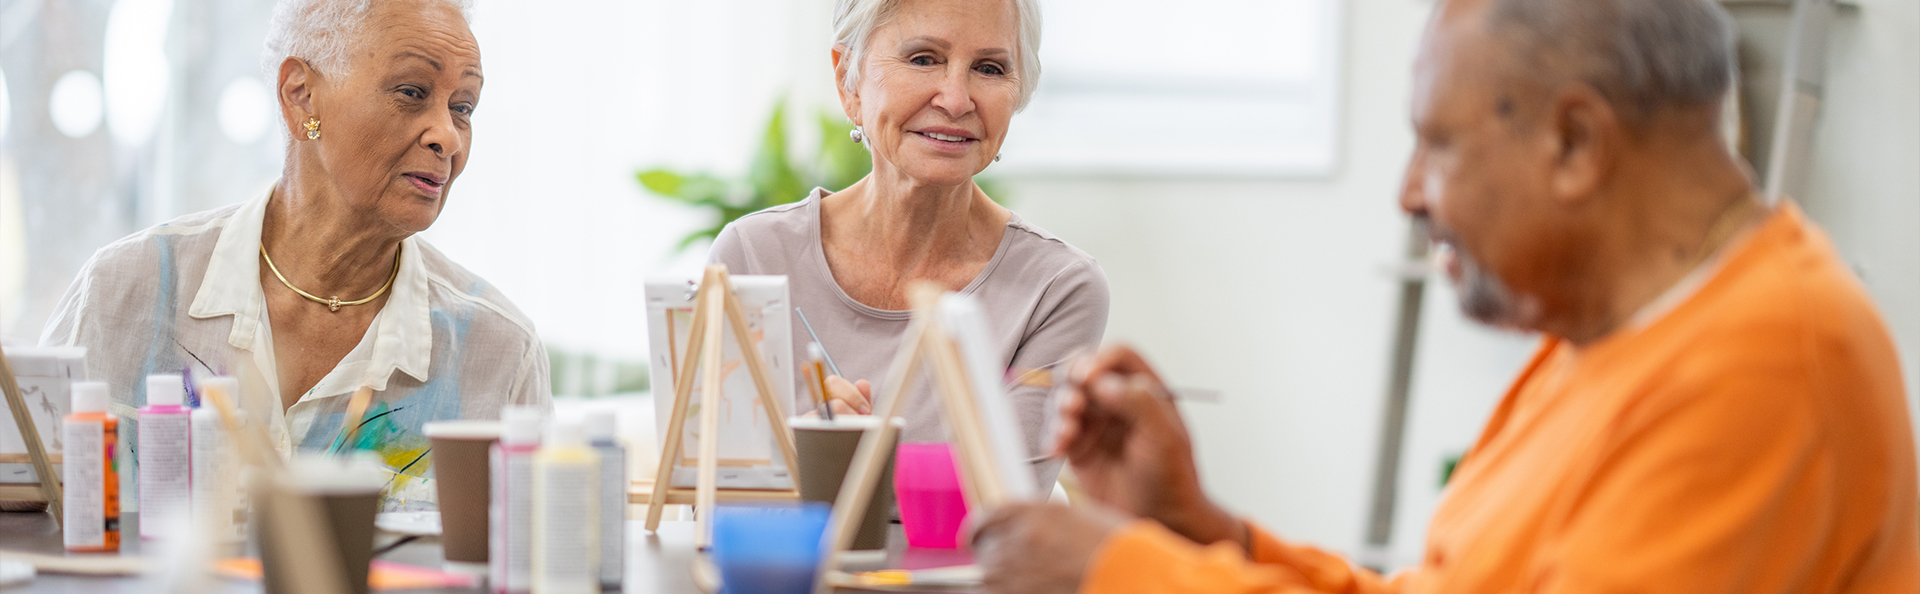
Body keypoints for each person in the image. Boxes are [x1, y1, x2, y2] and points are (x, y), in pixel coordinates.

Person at [971, 0, 1919, 591]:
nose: (1410, 192)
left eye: (1440, 144)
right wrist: (1201, 529)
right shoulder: (1607, 336)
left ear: (1575, 143)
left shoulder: (1764, 363)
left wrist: (1121, 575)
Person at [40, 0, 548, 510]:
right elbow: (27, 520)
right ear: (301, 96)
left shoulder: (500, 354)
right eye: (411, 92)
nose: (447, 136)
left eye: (462, 107)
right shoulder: (122, 292)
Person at [709, 0, 1107, 486]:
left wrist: (817, 472)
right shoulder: (754, 256)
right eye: (923, 59)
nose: (957, 100)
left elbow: (1006, 516)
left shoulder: (1056, 290)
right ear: (847, 81)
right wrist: (798, 464)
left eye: (989, 68)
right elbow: (711, 500)